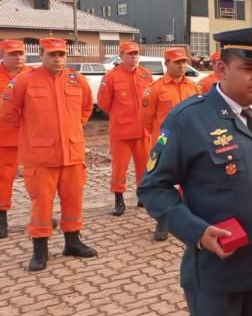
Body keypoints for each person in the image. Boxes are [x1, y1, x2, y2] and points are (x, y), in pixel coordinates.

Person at [137, 26, 252, 316]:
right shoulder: (189, 118)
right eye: (248, 68)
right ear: (221, 69)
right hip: (217, 273)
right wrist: (196, 232)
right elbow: (153, 187)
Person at [0, 38, 97, 271]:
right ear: (41, 54)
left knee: (73, 199)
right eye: (52, 54)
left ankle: (72, 243)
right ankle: (40, 250)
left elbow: (86, 108)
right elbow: (8, 114)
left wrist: (73, 129)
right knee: (42, 204)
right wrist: (33, 133)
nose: (57, 59)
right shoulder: (24, 81)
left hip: (72, 154)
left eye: (61, 54)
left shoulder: (77, 80)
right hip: (40, 158)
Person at [140, 47, 199, 240]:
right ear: (166, 63)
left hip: (190, 143)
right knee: (163, 183)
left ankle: (190, 220)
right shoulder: (155, 88)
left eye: (184, 62)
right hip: (165, 144)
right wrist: (162, 138)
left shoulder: (194, 88)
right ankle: (163, 221)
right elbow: (146, 120)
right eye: (177, 62)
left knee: (191, 182)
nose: (182, 66)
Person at [97, 41, 153, 216]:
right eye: (129, 54)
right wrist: (120, 115)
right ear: (121, 55)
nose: (134, 56)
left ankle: (143, 196)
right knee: (119, 168)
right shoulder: (111, 76)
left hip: (142, 131)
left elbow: (150, 100)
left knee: (145, 166)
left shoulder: (145, 74)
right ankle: (119, 200)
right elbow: (104, 103)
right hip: (121, 132)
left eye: (136, 53)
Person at [0, 39, 34, 238]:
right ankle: (1, 220)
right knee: (3, 179)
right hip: (5, 137)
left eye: (21, 53)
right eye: (13, 54)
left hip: (32, 136)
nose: (18, 57)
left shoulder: (33, 75)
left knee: (39, 178)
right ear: (3, 55)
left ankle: (41, 215)